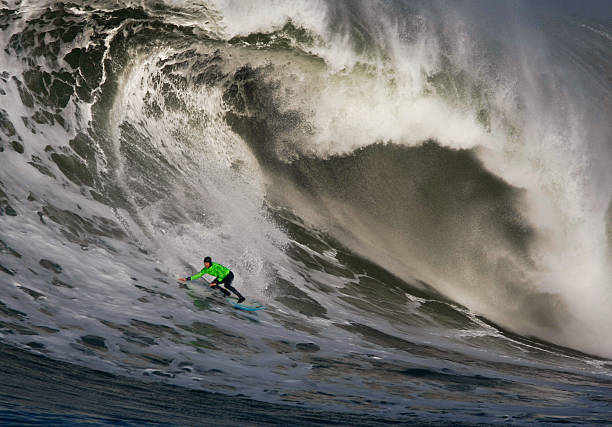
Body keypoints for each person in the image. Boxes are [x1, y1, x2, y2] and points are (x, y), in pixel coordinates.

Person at [179, 256, 245, 303]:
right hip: (221, 276)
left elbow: (221, 275)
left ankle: (241, 297)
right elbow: (198, 275)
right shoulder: (205, 269)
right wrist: (187, 279)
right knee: (212, 285)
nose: (206, 265)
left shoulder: (215, 266)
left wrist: (216, 283)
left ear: (210, 262)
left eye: (207, 263)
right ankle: (226, 293)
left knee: (226, 285)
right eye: (205, 264)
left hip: (228, 275)